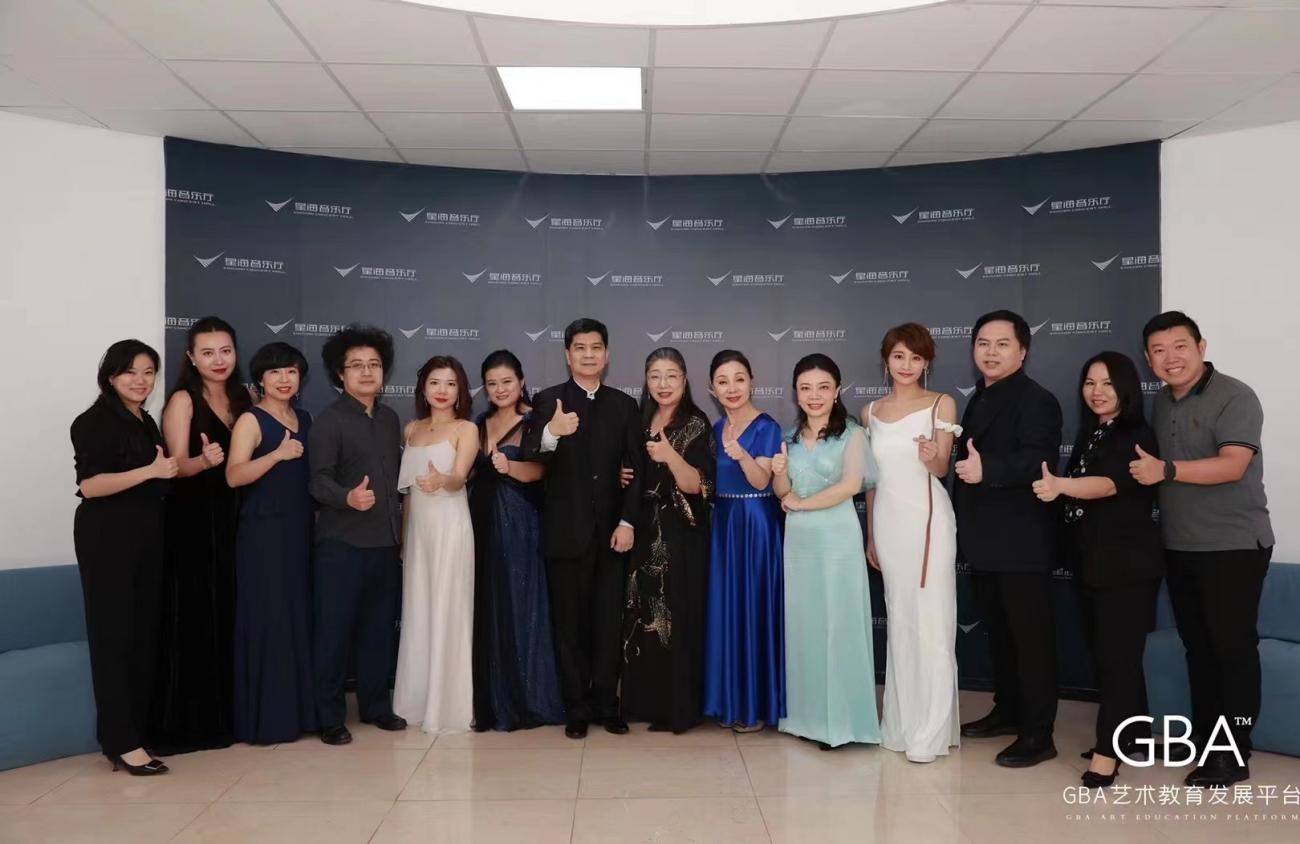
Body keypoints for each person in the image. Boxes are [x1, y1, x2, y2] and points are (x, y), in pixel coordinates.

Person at [1131, 311, 1273, 787]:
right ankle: (1210, 741)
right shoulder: (1161, 402)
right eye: (1158, 350)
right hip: (1180, 546)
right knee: (1199, 649)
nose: (1170, 358)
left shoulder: (1235, 396)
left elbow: (1233, 465)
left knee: (1232, 650)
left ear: (1201, 347)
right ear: (1148, 358)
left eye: (1180, 347)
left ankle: (1233, 753)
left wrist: (1167, 470)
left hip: (1233, 545)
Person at [1033, 351, 1163, 788]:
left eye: (1107, 383)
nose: (1097, 391)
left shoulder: (1134, 433)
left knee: (1118, 661)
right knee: (1112, 656)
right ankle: (1134, 736)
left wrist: (1060, 485)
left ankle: (1108, 753)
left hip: (1126, 567)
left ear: (1126, 387)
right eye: (1090, 383)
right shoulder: (1095, 432)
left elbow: (1109, 485)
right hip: (1094, 563)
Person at [521, 317, 643, 739]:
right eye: (580, 348)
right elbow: (531, 452)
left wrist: (627, 521)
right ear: (567, 354)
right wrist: (552, 432)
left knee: (608, 625)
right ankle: (575, 708)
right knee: (568, 628)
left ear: (607, 355)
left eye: (596, 348)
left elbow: (636, 470)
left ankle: (607, 705)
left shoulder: (624, 405)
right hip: (564, 535)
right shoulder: (548, 400)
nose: (588, 355)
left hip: (612, 536)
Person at [954, 310, 1063, 768]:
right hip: (985, 540)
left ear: (1023, 351)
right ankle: (1009, 710)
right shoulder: (980, 397)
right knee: (1001, 635)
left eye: (1002, 344)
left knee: (1030, 640)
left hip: (1022, 542)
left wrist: (989, 471)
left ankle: (1038, 734)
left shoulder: (1037, 400)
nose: (991, 352)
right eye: (983, 343)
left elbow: (1039, 460)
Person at [71, 340, 176, 775]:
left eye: (149, 372)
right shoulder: (93, 421)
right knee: (114, 638)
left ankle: (136, 732)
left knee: (142, 634)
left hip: (146, 534)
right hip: (108, 537)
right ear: (111, 376)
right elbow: (90, 486)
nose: (141, 380)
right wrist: (150, 471)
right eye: (130, 372)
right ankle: (121, 742)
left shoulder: (144, 420)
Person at [149, 316, 250, 754]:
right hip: (192, 523)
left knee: (228, 614)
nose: (218, 360)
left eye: (225, 350)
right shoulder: (182, 400)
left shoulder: (244, 398)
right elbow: (174, 467)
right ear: (191, 357)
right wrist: (205, 461)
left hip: (235, 521)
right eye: (207, 353)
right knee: (195, 618)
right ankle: (190, 725)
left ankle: (228, 716)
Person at [772, 354, 880, 749]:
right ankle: (806, 718)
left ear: (837, 391)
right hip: (799, 542)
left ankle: (843, 724)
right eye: (805, 388)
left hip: (836, 537)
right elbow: (782, 492)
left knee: (838, 625)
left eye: (823, 387)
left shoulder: (852, 433)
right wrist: (779, 473)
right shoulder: (787, 437)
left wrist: (801, 504)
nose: (814, 395)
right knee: (804, 626)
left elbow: (851, 485)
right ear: (796, 393)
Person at [864, 323, 961, 763]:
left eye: (916, 358)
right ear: (886, 360)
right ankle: (902, 726)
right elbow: (870, 481)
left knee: (933, 621)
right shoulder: (870, 411)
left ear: (927, 363)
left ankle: (931, 731)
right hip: (888, 522)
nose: (907, 365)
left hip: (928, 521)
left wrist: (932, 455)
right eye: (899, 356)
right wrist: (871, 534)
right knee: (901, 621)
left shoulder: (942, 403)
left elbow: (941, 469)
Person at [308, 325, 407, 745]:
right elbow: (318, 481)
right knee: (334, 635)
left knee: (378, 633)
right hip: (342, 545)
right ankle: (330, 717)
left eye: (374, 364)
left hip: (385, 545)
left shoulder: (389, 419)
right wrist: (348, 497)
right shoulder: (328, 422)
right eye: (356, 365)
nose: (367, 372)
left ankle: (376, 707)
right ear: (340, 373)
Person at [225, 342, 317, 745]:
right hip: (263, 534)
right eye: (276, 372)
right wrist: (277, 455)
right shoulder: (251, 419)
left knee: (296, 617)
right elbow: (234, 475)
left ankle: (300, 714)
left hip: (299, 530)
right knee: (269, 619)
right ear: (260, 379)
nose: (284, 379)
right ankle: (267, 719)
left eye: (292, 371)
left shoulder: (305, 418)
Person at [468, 350, 564, 732]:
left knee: (522, 604)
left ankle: (529, 699)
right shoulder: (479, 423)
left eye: (506, 381)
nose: (500, 389)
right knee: (489, 605)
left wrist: (510, 467)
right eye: (492, 384)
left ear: (521, 382)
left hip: (519, 521)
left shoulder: (534, 420)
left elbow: (540, 472)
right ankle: (493, 698)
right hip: (480, 520)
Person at [621, 348, 715, 733]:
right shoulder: (639, 419)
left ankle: (678, 708)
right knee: (643, 614)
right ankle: (645, 702)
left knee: (675, 616)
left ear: (685, 380)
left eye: (671, 375)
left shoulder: (696, 423)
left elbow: (698, 485)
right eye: (655, 376)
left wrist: (669, 455)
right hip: (643, 530)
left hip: (680, 534)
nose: (663, 384)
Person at [394, 356, 478, 733]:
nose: (442, 391)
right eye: (435, 383)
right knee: (418, 611)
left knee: (448, 610)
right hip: (418, 533)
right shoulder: (411, 429)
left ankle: (448, 708)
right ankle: (415, 702)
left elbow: (460, 477)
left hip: (450, 527)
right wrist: (404, 539)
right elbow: (408, 496)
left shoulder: (466, 429)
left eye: (450, 384)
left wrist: (443, 479)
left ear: (460, 391)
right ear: (423, 389)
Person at [703, 349, 785, 733]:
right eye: (723, 381)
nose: (732, 388)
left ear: (752, 382)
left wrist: (741, 455)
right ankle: (729, 701)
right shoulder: (715, 428)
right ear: (712, 389)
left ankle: (755, 707)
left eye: (739, 379)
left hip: (756, 525)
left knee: (754, 610)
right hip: (723, 523)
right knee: (728, 612)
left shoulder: (767, 427)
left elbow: (761, 480)